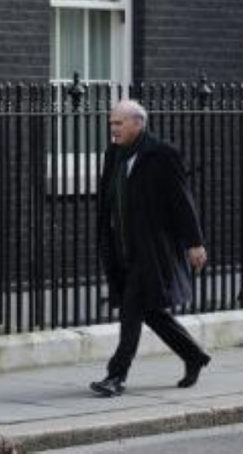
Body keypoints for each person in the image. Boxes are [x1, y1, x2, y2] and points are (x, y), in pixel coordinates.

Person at [91, 99, 210, 397]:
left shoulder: (161, 154)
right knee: (151, 311)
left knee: (131, 309)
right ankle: (193, 355)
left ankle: (115, 376)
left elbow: (181, 200)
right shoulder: (114, 154)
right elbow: (107, 198)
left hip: (150, 249)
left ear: (137, 123)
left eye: (119, 123)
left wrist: (195, 242)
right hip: (121, 247)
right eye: (111, 123)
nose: (113, 129)